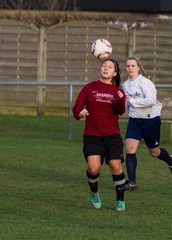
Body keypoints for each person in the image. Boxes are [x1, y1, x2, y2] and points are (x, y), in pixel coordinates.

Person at [73, 58, 127, 211]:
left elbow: (120, 111)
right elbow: (76, 108)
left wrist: (120, 99)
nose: (106, 68)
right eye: (104, 65)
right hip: (93, 134)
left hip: (112, 134)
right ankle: (94, 191)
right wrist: (80, 112)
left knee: (115, 166)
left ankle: (120, 199)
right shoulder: (90, 87)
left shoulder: (118, 91)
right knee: (94, 168)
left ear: (114, 73)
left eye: (110, 67)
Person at [122, 56, 172, 191]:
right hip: (134, 121)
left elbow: (151, 100)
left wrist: (132, 101)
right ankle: (132, 182)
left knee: (154, 152)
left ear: (139, 67)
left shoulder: (145, 82)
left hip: (150, 121)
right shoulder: (125, 85)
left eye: (133, 65)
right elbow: (127, 103)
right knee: (129, 149)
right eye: (128, 66)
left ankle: (170, 161)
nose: (130, 68)